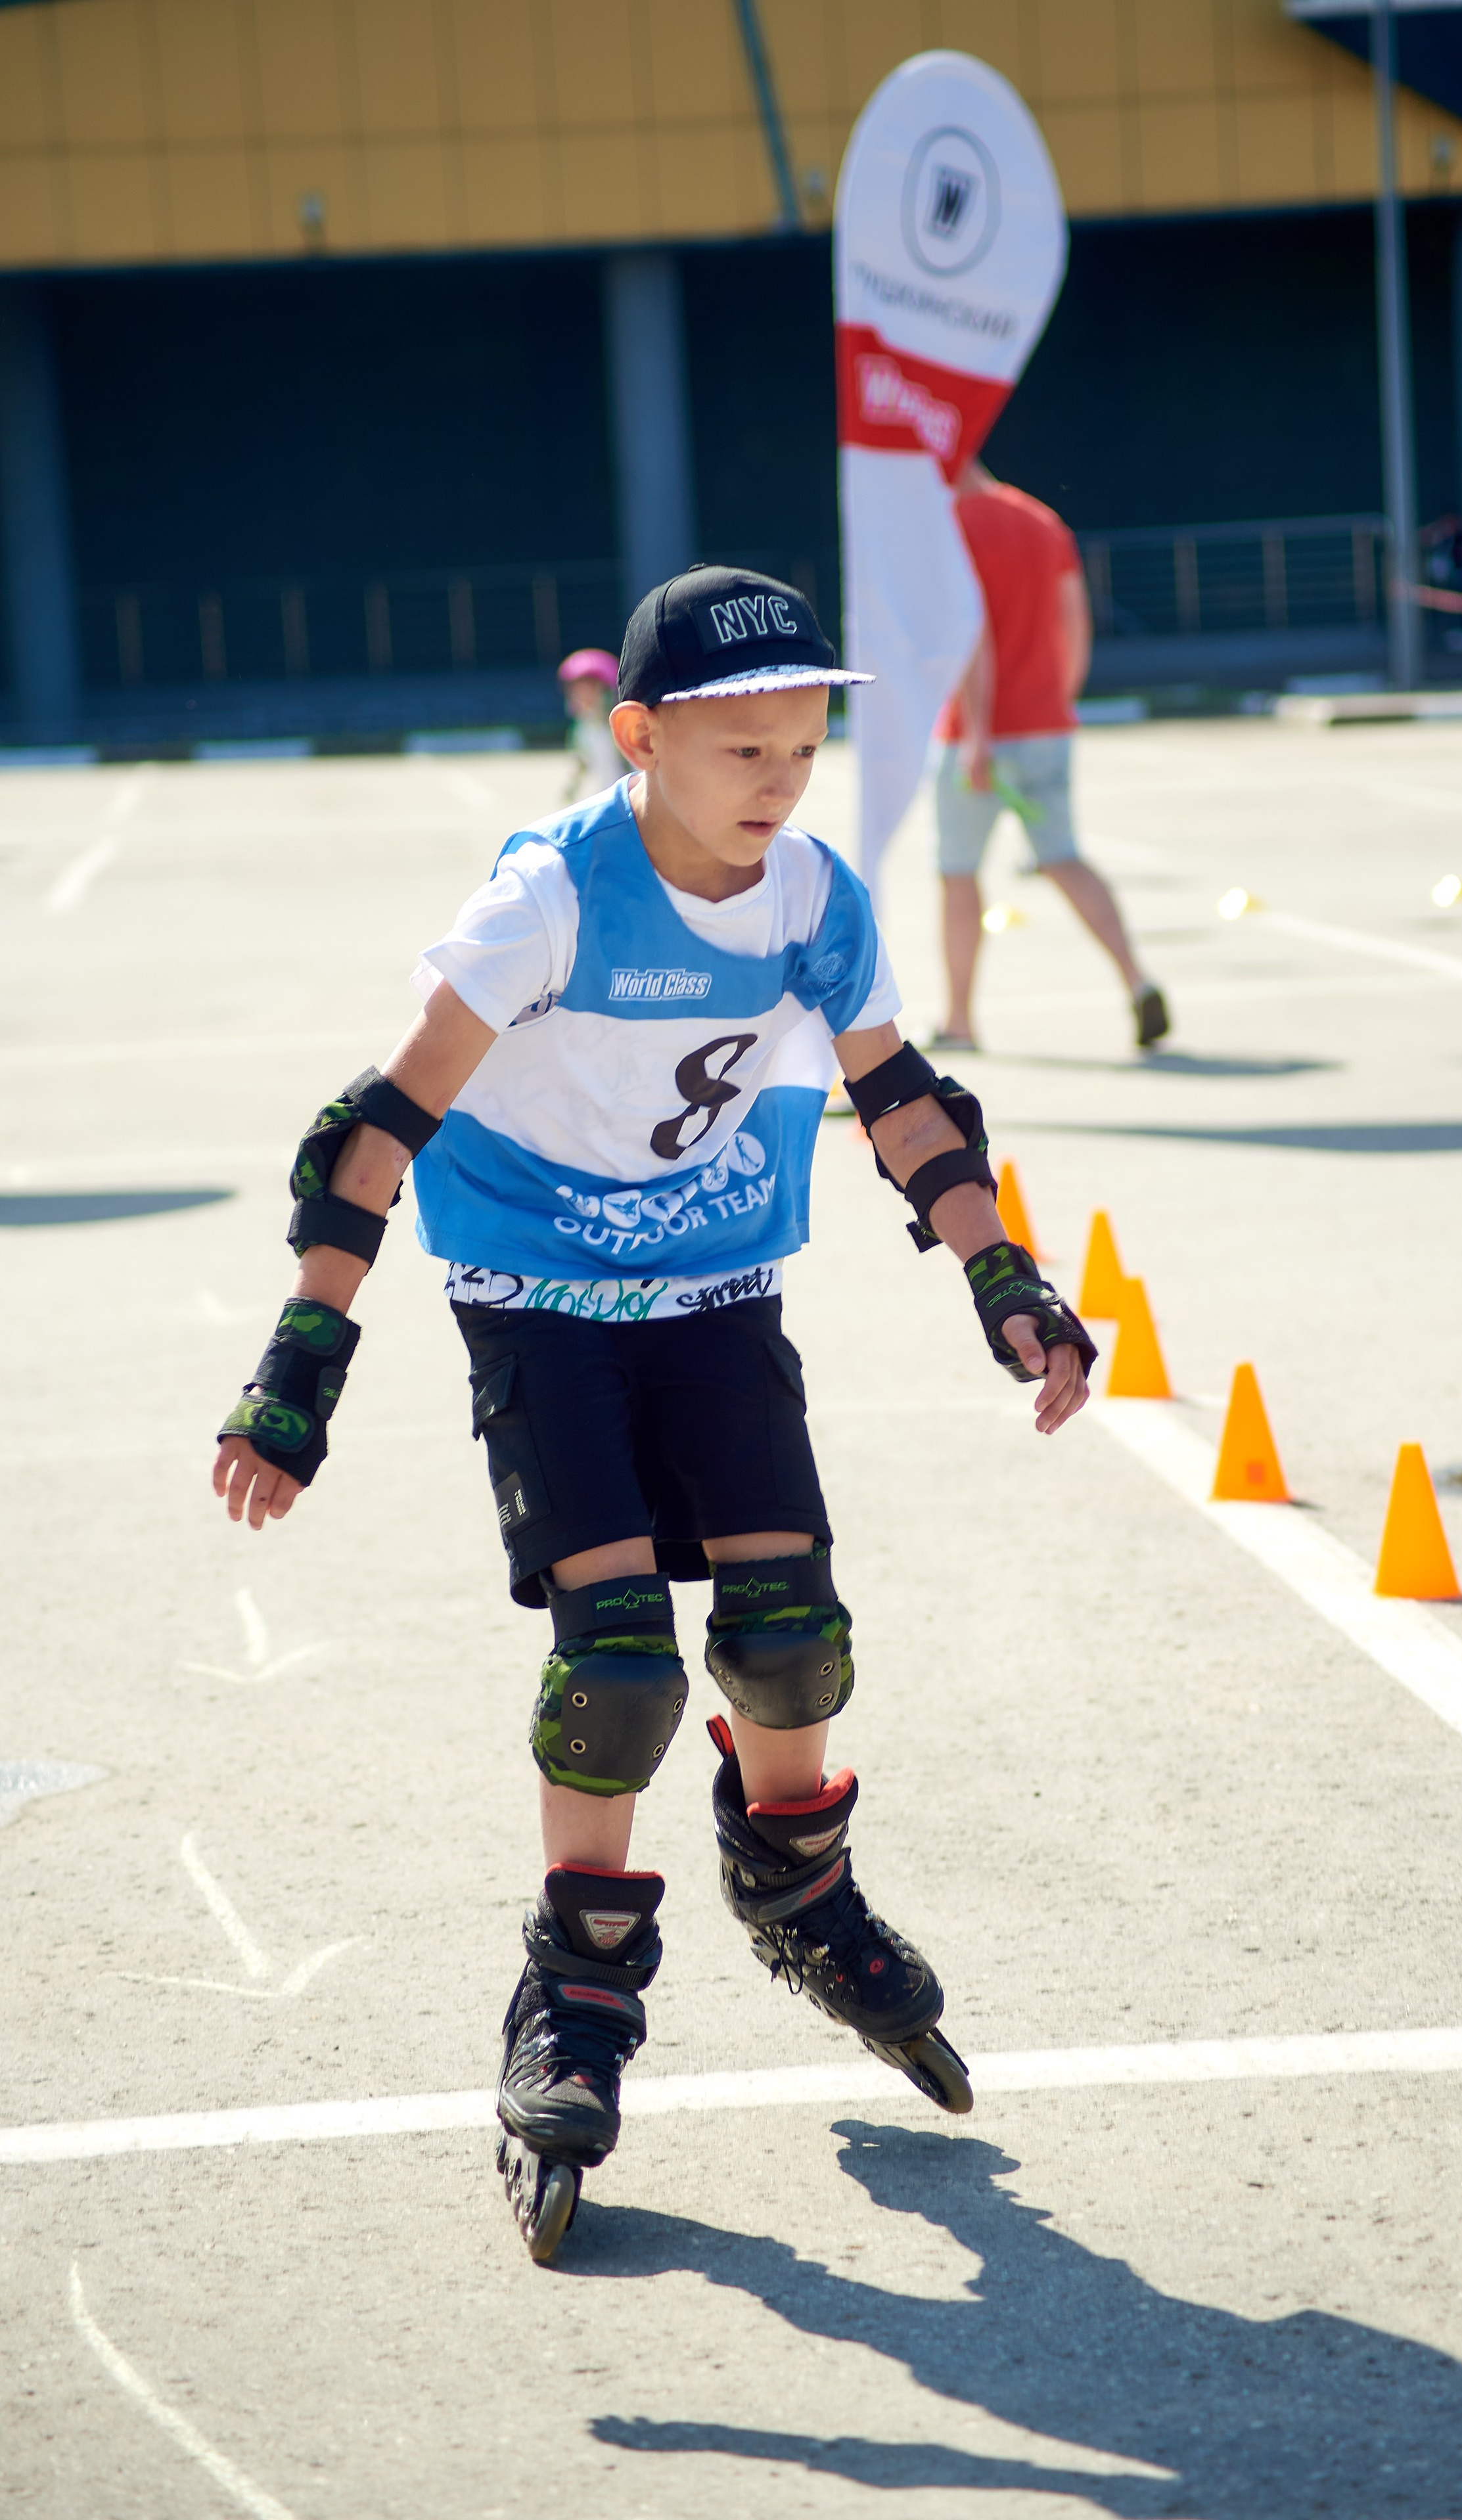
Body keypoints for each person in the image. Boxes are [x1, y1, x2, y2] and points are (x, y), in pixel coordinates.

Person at [210, 565, 1096, 2265]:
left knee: (792, 1642)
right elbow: (375, 1121)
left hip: (713, 1292)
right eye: (743, 745)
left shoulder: (817, 894)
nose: (779, 777)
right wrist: (303, 1359)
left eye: (802, 744)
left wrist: (1008, 1281)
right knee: (618, 1662)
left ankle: (797, 1884)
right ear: (641, 738)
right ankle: (577, 1985)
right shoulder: (550, 897)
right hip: (540, 1301)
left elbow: (902, 1096)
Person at [933, 459, 1168, 1055]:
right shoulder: (1042, 520)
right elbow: (1075, 622)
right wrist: (1058, 702)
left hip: (978, 736)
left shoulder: (952, 525)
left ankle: (959, 1020)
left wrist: (980, 734)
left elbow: (971, 635)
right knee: (1065, 859)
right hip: (1047, 724)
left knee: (958, 874)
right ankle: (1137, 979)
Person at [557, 647, 627, 799]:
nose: (579, 697)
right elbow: (584, 760)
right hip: (608, 797)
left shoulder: (619, 724)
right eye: (575, 691)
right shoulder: (584, 727)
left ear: (605, 690)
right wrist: (574, 785)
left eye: (586, 691)